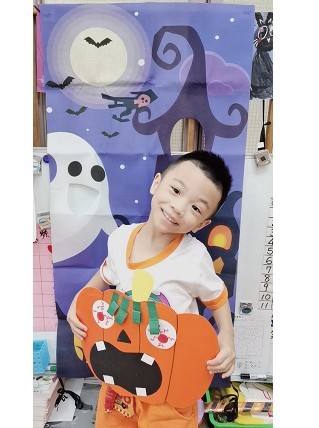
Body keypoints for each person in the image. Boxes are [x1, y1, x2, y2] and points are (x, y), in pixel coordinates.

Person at [67, 150, 236, 428]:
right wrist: (79, 300)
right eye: (176, 190)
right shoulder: (120, 238)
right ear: (156, 183)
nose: (179, 207)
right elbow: (104, 274)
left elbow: (216, 297)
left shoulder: (194, 258)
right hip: (118, 376)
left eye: (196, 208)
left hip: (170, 383)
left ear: (202, 224)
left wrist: (227, 338)